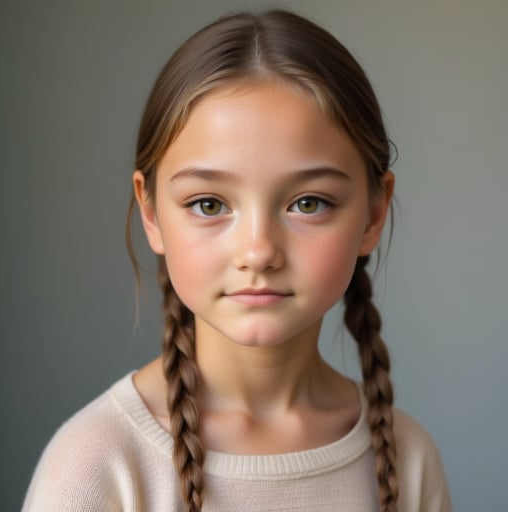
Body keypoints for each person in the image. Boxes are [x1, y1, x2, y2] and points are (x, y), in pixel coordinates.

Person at [23, 9, 452, 512]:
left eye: (308, 203)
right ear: (151, 212)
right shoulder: (94, 467)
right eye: (209, 204)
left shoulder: (408, 458)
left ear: (374, 213)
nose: (258, 251)